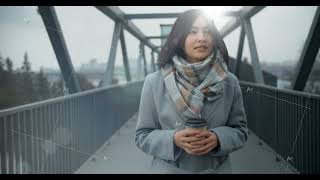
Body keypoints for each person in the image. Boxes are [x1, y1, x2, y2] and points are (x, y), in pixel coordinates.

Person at [135, 9, 248, 174]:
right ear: (180, 39)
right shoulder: (154, 82)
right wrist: (173, 139)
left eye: (208, 31)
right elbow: (142, 135)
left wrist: (218, 138)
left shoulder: (230, 81)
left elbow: (241, 131)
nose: (202, 38)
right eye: (192, 32)